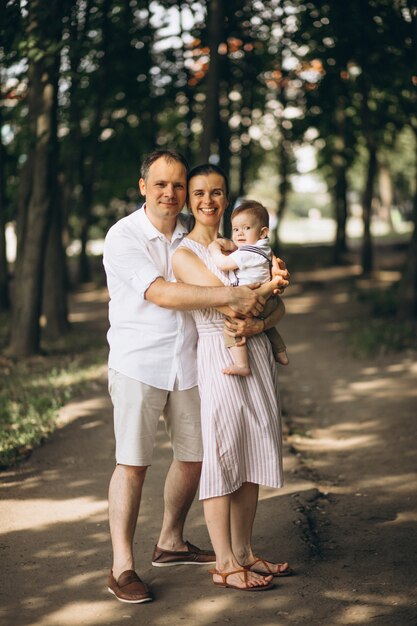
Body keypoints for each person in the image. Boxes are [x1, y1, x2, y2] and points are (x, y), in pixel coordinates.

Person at [102, 149, 289, 603]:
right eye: (161, 184)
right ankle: (122, 567)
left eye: (178, 185)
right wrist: (243, 294)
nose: (172, 192)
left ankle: (171, 542)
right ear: (143, 185)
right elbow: (160, 292)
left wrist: (261, 315)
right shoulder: (124, 235)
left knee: (197, 458)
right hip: (139, 361)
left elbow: (270, 303)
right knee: (133, 464)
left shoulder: (205, 234)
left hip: (189, 361)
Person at [172, 163, 292, 593]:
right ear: (189, 199)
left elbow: (272, 312)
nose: (208, 201)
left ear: (226, 198)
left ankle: (244, 552)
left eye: (217, 192)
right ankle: (223, 561)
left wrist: (267, 311)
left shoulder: (239, 243)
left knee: (253, 449)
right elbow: (235, 304)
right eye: (200, 192)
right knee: (223, 453)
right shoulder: (185, 254)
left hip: (253, 351)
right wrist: (271, 287)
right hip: (219, 353)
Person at [208, 199, 289, 376]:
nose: (239, 234)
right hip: (269, 301)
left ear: (263, 232)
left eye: (246, 228)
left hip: (253, 300)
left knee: (232, 328)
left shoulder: (247, 253)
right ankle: (281, 352)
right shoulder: (265, 250)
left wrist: (214, 249)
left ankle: (242, 364)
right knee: (269, 327)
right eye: (236, 229)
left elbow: (224, 263)